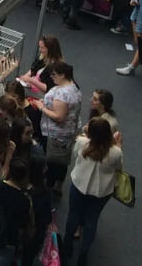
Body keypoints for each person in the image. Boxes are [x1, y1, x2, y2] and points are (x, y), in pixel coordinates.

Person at [61, 117, 122, 266]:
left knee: (73, 214)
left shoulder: (82, 143)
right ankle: (83, 254)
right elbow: (119, 168)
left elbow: (76, 155)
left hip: (79, 185)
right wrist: (117, 144)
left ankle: (67, 245)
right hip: (101, 191)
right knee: (91, 220)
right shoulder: (115, 152)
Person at [36, 60, 81, 192]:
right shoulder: (74, 87)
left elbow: (59, 117)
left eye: (54, 74)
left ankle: (48, 186)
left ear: (63, 75)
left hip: (57, 134)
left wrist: (42, 107)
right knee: (62, 162)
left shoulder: (63, 93)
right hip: (67, 132)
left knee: (53, 162)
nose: (52, 77)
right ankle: (58, 184)